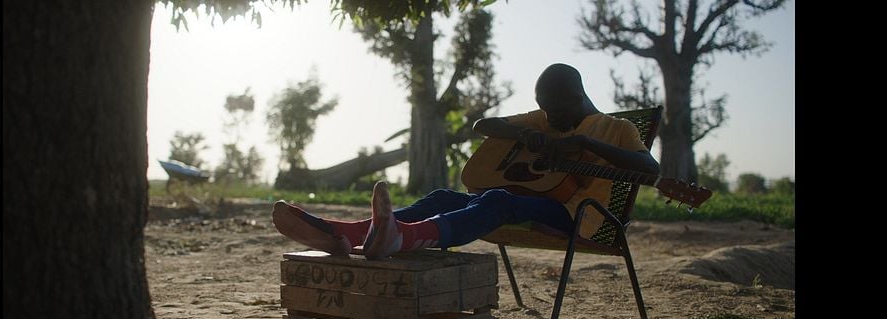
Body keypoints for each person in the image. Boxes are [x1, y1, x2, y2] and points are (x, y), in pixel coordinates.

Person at [271, 63, 660, 260]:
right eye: (543, 111)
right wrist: (525, 134)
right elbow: (483, 125)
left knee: (497, 201)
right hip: (534, 203)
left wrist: (585, 141)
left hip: (583, 218)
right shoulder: (543, 119)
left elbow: (651, 171)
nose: (548, 118)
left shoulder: (618, 128)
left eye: (553, 112)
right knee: (442, 196)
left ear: (576, 99)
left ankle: (401, 237)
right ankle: (346, 234)